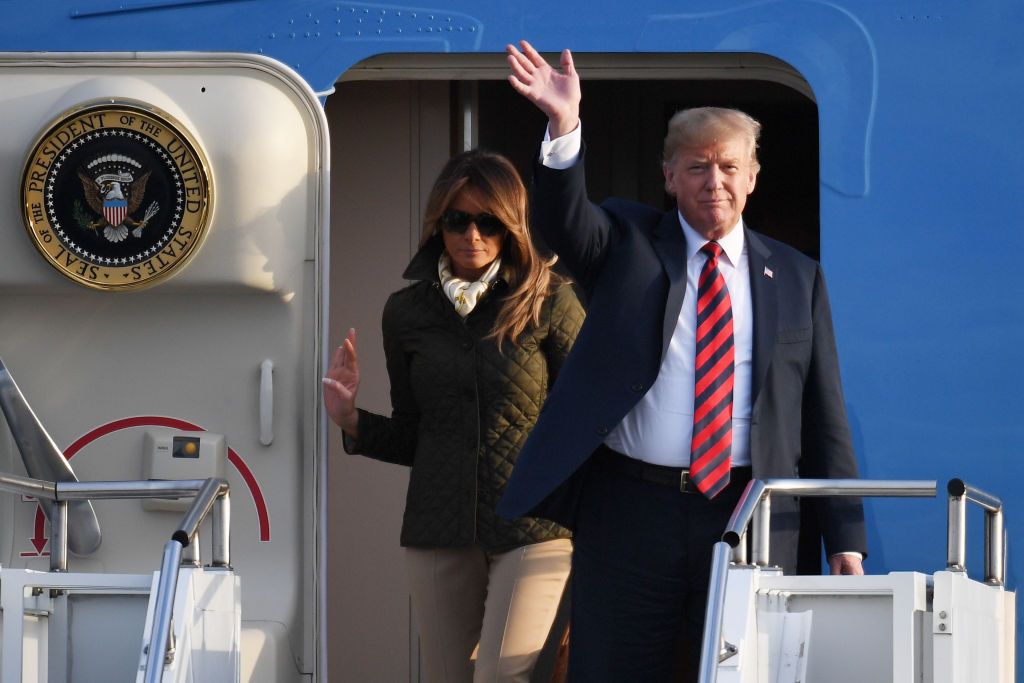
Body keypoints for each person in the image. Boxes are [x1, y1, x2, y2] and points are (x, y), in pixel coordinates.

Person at [498, 40, 868, 681]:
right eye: (697, 167)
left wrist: (848, 539)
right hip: (631, 513)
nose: (714, 181)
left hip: (747, 514)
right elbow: (565, 225)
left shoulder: (798, 278)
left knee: (740, 671)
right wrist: (564, 127)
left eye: (729, 166)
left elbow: (822, 414)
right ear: (669, 177)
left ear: (753, 177)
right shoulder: (628, 242)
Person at [322, 149, 583, 683]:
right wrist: (350, 419)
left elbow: (588, 415)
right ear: (438, 223)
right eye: (458, 220)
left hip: (535, 523)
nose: (472, 235)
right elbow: (415, 431)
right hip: (438, 527)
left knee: (498, 676)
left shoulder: (548, 300)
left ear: (511, 226)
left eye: (488, 221)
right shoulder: (406, 311)